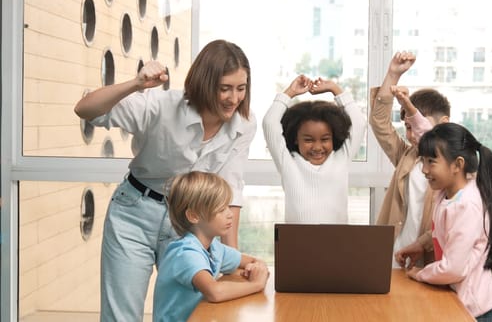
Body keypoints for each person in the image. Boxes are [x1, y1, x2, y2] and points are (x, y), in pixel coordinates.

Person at [73, 39, 256, 321]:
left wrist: (228, 255)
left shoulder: (244, 124)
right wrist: (135, 84)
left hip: (189, 224)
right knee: (121, 316)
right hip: (134, 214)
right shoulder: (160, 106)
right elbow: (86, 110)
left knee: (188, 315)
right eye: (225, 88)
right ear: (206, 84)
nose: (234, 98)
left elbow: (230, 188)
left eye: (241, 88)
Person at [396, 122, 492, 321]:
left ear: (457, 165)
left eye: (431, 162)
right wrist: (420, 245)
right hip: (463, 305)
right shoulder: (446, 194)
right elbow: (446, 231)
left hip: (481, 313)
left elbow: (453, 269)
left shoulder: (467, 205)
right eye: (423, 161)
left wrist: (419, 273)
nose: (424, 169)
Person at [153, 171, 269, 322]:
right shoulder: (185, 253)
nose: (230, 214)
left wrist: (257, 267)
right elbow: (214, 292)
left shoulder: (214, 247)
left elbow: (252, 261)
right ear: (194, 216)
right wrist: (256, 284)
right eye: (221, 209)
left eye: (228, 206)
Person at [369, 51, 450, 268]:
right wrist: (393, 76)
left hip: (428, 261)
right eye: (407, 127)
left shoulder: (454, 167)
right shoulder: (407, 156)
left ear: (444, 123)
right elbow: (379, 123)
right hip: (394, 256)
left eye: (416, 125)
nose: (412, 134)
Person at [262, 75, 366, 223]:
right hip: (296, 243)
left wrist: (334, 88)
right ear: (296, 139)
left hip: (338, 242)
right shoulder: (288, 161)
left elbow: (359, 124)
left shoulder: (341, 158)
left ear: (333, 137)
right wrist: (289, 92)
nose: (317, 147)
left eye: (324, 139)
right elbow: (269, 123)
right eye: (308, 140)